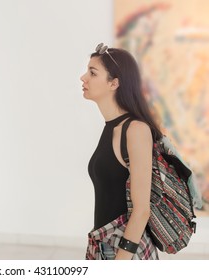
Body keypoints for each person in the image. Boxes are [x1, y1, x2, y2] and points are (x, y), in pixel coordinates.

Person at [80, 43, 163, 260]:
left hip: (125, 249)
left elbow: (142, 209)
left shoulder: (135, 130)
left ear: (114, 83)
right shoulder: (111, 127)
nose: (83, 77)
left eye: (92, 72)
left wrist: (121, 262)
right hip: (102, 243)